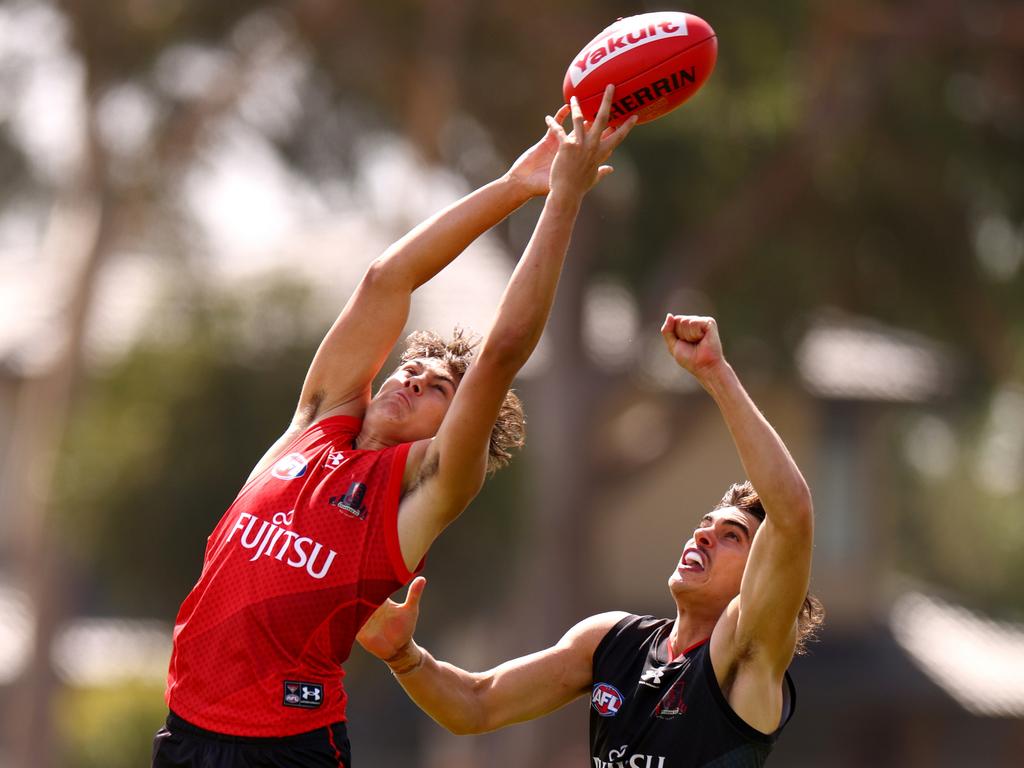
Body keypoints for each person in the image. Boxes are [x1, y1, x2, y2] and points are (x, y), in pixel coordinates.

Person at [152, 86, 636, 768]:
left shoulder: (428, 488)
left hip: (283, 752)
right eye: (414, 367)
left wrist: (563, 196)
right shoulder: (316, 425)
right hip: (184, 733)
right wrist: (515, 184)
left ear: (456, 427)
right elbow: (388, 279)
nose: (413, 378)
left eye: (440, 387)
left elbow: (502, 351)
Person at [356, 313, 824, 767]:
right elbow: (478, 704)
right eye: (705, 524)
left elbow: (792, 513)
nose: (704, 535)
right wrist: (404, 656)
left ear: (761, 577)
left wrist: (714, 373)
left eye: (731, 536)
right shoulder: (611, 642)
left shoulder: (747, 651)